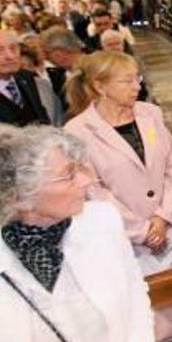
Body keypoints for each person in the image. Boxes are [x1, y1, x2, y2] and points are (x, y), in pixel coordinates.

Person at [64, 51, 172, 341]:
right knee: (145, 317)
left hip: (167, 228)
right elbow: (92, 190)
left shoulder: (150, 113)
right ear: (100, 86)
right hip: (125, 237)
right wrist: (143, 229)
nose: (138, 85)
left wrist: (163, 216)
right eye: (127, 80)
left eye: (137, 78)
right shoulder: (77, 131)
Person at [0, 125, 154, 341]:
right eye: (69, 175)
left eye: (80, 169)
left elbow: (136, 298)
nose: (86, 180)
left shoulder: (102, 221)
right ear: (21, 196)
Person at [0, 31, 53, 126]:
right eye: (0, 51)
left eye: (13, 49)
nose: (10, 56)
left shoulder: (26, 77)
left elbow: (42, 117)